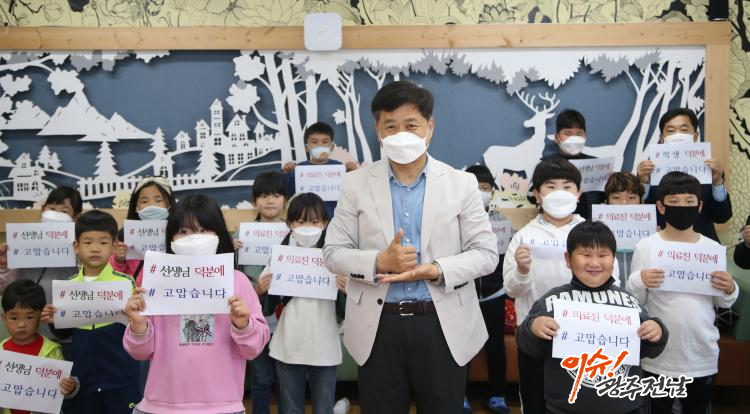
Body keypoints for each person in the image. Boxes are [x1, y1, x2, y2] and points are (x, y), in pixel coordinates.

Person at [323, 80, 498, 414]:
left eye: (411, 125)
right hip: (378, 325)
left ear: (430, 127)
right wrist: (380, 261)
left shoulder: (461, 184)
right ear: (378, 130)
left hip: (442, 323)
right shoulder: (355, 184)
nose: (400, 134)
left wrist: (437, 270)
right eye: (391, 126)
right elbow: (332, 253)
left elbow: (486, 254)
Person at [123, 194, 270, 414]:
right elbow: (140, 352)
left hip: (222, 407)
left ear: (219, 234)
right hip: (160, 406)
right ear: (171, 238)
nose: (193, 238)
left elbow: (254, 348)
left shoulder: (237, 282)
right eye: (183, 231)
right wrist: (138, 325)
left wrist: (243, 325)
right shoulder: (156, 282)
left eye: (203, 230)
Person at [504, 156, 619, 414]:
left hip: (586, 334)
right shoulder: (524, 236)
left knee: (583, 402)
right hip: (536, 336)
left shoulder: (594, 234)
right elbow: (512, 290)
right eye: (551, 186)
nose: (559, 193)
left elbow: (614, 283)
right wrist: (522, 270)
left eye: (567, 187)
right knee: (535, 400)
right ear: (537, 195)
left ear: (578, 193)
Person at [517, 221, 668, 414]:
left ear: (613, 259)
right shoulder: (552, 301)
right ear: (568, 259)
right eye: (585, 255)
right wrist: (533, 327)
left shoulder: (628, 301)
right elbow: (527, 345)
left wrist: (657, 331)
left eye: (603, 255)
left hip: (624, 408)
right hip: (563, 409)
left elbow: (647, 348)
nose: (594, 263)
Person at [627, 171, 738, 414]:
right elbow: (635, 303)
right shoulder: (646, 247)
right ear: (661, 207)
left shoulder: (711, 249)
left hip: (701, 353)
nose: (682, 207)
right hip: (658, 355)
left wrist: (730, 287)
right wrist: (640, 280)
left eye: (689, 202)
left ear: (699, 207)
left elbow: (723, 301)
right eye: (674, 201)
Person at [40, 210, 141, 414]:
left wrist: (137, 311)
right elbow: (65, 333)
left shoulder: (125, 283)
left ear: (113, 246)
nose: (95, 248)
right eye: (87, 242)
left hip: (122, 378)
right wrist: (54, 321)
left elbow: (138, 330)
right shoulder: (68, 287)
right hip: (84, 379)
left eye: (103, 242)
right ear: (76, 246)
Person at [260, 193, 347, 414]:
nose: (308, 227)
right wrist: (261, 289)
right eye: (301, 221)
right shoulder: (280, 255)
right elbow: (266, 305)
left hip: (324, 344)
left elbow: (348, 309)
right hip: (289, 343)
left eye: (314, 221)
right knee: (291, 409)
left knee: (323, 408)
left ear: (325, 223)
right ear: (290, 223)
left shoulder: (336, 258)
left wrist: (345, 290)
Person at [636, 108, 732, 242]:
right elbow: (640, 216)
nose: (678, 135)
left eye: (684, 130)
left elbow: (722, 217)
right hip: (662, 245)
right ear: (662, 138)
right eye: (671, 131)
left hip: (702, 246)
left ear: (695, 136)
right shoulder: (649, 171)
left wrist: (717, 182)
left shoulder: (709, 169)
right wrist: (643, 183)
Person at [0, 187, 83, 342]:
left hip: (68, 331)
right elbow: (5, 289)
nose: (56, 214)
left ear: (76, 217)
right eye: (52, 209)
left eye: (64, 211)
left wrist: (79, 254)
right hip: (31, 332)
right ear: (43, 210)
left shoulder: (81, 246)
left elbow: (89, 282)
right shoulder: (23, 243)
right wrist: (3, 267)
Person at [235, 171, 287, 414]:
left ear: (285, 199)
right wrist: (231, 249)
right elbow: (232, 276)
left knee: (286, 376)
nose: (270, 201)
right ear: (254, 200)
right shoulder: (241, 235)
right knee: (262, 376)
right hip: (254, 313)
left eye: (276, 195)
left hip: (285, 314)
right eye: (264, 196)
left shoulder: (294, 231)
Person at [464, 165, 509, 414]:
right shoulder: (456, 217)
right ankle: (460, 396)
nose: (480, 192)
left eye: (484, 188)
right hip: (464, 293)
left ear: (492, 191)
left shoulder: (504, 220)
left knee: (495, 346)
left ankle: (498, 395)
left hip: (495, 293)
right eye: (475, 188)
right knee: (462, 345)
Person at [1, 279, 78, 412]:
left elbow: (63, 388)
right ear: (4, 317)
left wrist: (71, 387)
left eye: (29, 317)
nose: (21, 324)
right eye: (14, 318)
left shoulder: (52, 350)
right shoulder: (2, 351)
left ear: (41, 316)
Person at [283, 122, 358, 220]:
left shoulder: (339, 168)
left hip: (334, 221)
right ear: (306, 147)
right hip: (306, 221)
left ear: (332, 147)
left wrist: (353, 172)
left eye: (325, 142)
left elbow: (351, 194)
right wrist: (286, 172)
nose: (319, 146)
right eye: (314, 142)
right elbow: (285, 195)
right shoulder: (298, 169)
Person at [110, 176, 175, 286]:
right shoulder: (124, 238)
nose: (151, 206)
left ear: (169, 204)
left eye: (158, 200)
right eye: (144, 201)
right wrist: (118, 260)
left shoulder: (178, 234)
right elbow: (114, 278)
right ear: (136, 206)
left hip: (167, 292)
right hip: (135, 294)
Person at [542, 109, 605, 219]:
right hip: (556, 223)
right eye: (568, 134)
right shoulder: (546, 164)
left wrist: (610, 182)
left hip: (589, 224)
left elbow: (605, 197)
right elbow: (533, 197)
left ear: (585, 136)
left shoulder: (596, 164)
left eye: (579, 134)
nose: (574, 138)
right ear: (556, 138)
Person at [603, 172, 646, 285]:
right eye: (616, 197)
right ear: (606, 202)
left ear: (641, 202)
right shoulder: (598, 236)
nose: (624, 203)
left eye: (631, 197)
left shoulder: (651, 237)